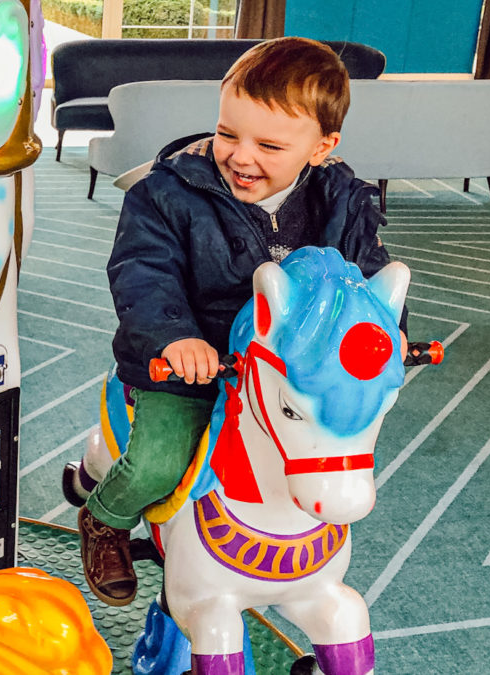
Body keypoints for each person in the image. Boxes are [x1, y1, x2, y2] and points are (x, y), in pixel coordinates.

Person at [74, 37, 408, 607]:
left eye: (269, 145)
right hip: (193, 367)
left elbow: (369, 280)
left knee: (323, 446)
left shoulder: (342, 201)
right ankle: (105, 518)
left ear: (322, 147)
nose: (241, 157)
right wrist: (176, 338)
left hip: (282, 374)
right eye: (228, 134)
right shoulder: (169, 192)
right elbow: (143, 271)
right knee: (159, 461)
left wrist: (388, 334)